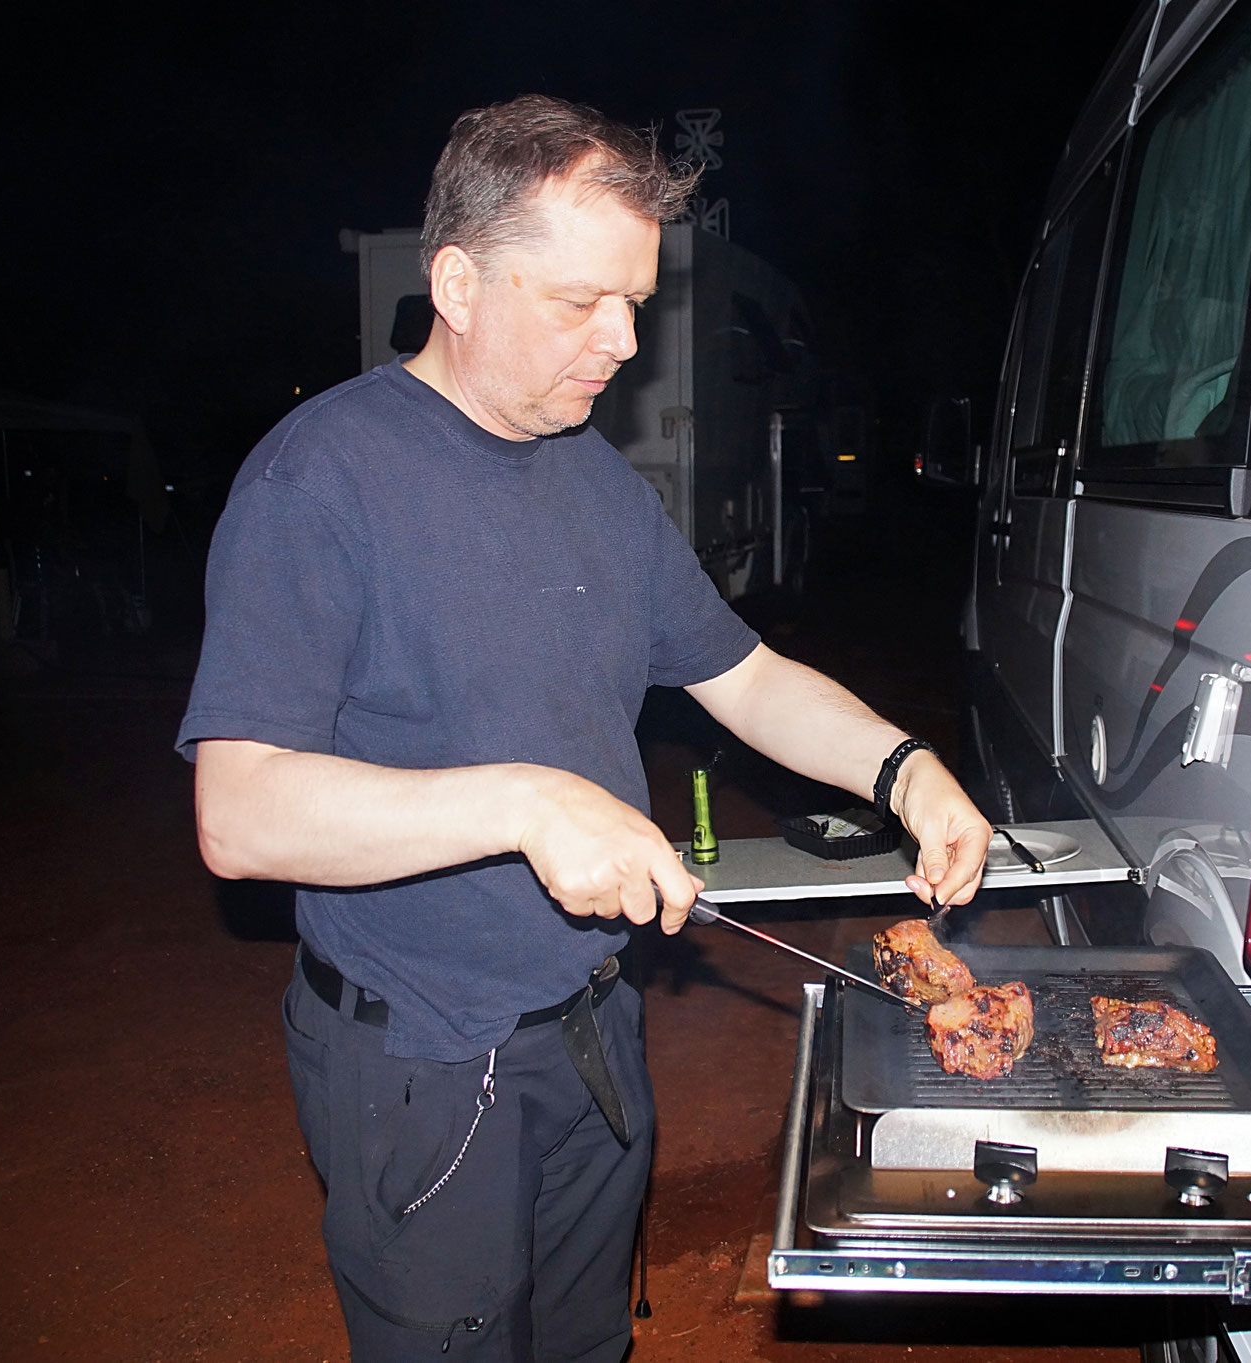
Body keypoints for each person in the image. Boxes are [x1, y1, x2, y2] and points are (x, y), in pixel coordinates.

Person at [176, 95, 991, 1362]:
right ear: (454, 281)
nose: (620, 342)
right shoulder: (319, 480)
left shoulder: (593, 478)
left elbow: (746, 675)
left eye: (635, 303)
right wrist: (523, 800)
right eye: (577, 304)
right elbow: (239, 811)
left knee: (587, 1343)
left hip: (596, 1023)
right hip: (423, 1057)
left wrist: (905, 766)